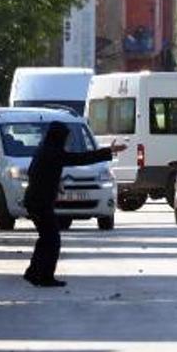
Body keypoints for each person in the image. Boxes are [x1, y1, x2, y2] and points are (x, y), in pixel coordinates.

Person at [23, 122, 127, 287]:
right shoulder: (52, 152)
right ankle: (44, 276)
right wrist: (109, 151)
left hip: (36, 201)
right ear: (58, 137)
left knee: (46, 238)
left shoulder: (44, 150)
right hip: (39, 202)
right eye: (65, 138)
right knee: (52, 239)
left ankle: (34, 273)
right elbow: (80, 158)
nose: (66, 141)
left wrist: (54, 183)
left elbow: (35, 172)